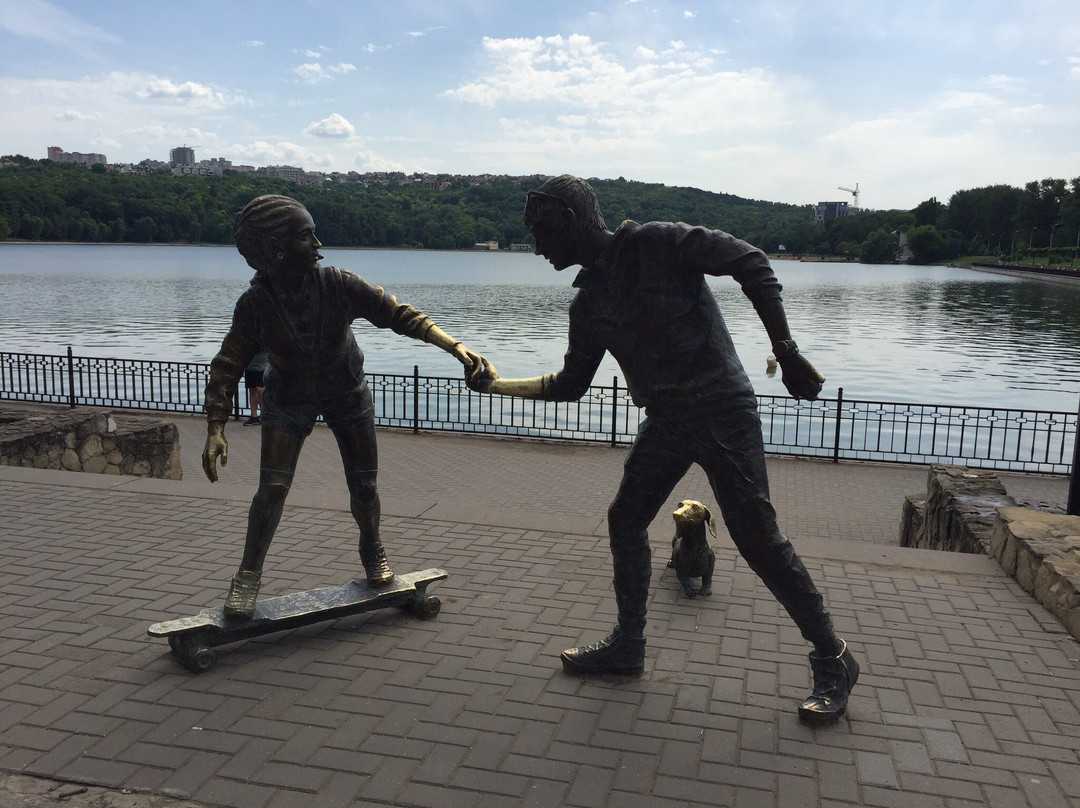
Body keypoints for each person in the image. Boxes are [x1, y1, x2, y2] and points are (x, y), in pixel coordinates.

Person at [467, 175, 859, 724]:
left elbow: (751, 261)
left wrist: (786, 351)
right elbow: (571, 384)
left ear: (571, 225)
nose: (535, 248)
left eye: (541, 234)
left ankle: (833, 657)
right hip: (668, 421)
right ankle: (629, 645)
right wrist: (497, 384)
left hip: (722, 410)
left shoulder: (657, 242)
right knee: (626, 518)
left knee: (758, 538)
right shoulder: (590, 304)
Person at [203, 194, 490, 620]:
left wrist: (457, 347)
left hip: (347, 393)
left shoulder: (337, 283)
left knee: (365, 487)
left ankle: (372, 548)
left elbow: (399, 314)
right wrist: (215, 427)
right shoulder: (256, 305)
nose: (319, 243)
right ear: (275, 250)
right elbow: (228, 365)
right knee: (273, 489)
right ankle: (247, 577)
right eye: (306, 236)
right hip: (289, 400)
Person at [243, 351, 268, 425]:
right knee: (252, 390)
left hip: (263, 367)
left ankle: (264, 414)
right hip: (250, 367)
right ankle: (254, 416)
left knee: (260, 390)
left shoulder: (265, 341)